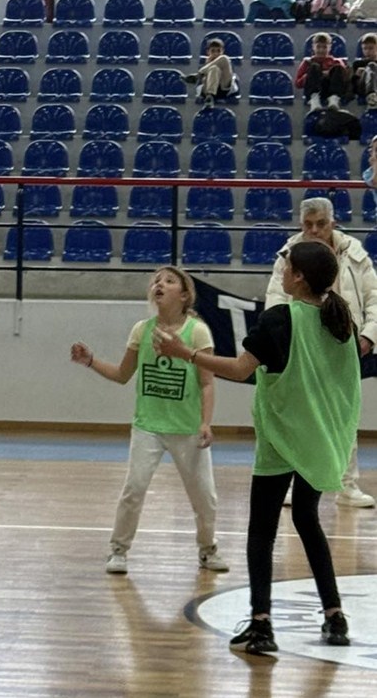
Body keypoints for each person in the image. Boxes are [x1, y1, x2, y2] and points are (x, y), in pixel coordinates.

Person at [156, 241, 358, 655]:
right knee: (307, 520)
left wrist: (185, 353)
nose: (281, 269)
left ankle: (262, 624)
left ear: (298, 276)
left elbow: (239, 369)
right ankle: (335, 615)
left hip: (282, 436)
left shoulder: (280, 318)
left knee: (262, 531)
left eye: (286, 264)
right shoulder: (341, 322)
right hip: (322, 438)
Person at [70, 266, 229, 575]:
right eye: (156, 280)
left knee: (205, 497)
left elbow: (207, 383)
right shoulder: (141, 330)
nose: (160, 284)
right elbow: (122, 375)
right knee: (134, 489)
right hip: (148, 426)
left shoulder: (197, 331)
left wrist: (205, 422)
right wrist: (90, 361)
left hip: (187, 429)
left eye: (169, 281)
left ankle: (208, 550)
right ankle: (119, 550)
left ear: (184, 295)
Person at [265, 196, 377, 507]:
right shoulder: (288, 254)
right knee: (298, 417)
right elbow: (275, 299)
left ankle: (347, 486)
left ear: (333, 223)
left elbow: (374, 298)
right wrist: (284, 338)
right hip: (301, 347)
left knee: (343, 414)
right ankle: (293, 483)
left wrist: (368, 336)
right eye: (308, 224)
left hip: (343, 345)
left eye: (321, 224)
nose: (314, 230)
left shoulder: (354, 253)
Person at [295, 31, 350, 112]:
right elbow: (298, 83)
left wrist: (329, 73)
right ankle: (314, 99)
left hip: (330, 88)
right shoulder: (307, 62)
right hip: (314, 90)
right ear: (313, 47)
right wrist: (310, 75)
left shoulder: (336, 61)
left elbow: (345, 80)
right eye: (318, 47)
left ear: (329, 47)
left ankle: (334, 98)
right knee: (314, 67)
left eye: (324, 47)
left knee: (338, 68)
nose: (321, 50)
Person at [181, 37, 236, 106]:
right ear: (208, 52)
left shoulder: (225, 62)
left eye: (218, 51)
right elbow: (203, 82)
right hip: (207, 90)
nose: (216, 53)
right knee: (214, 68)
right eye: (213, 51)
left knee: (224, 58)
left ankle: (197, 76)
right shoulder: (205, 64)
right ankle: (210, 97)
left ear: (223, 51)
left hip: (224, 88)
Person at [350, 32, 377, 109]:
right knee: (372, 65)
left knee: (372, 65)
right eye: (365, 49)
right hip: (363, 88)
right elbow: (354, 87)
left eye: (371, 48)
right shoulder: (358, 63)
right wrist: (356, 76)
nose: (367, 51)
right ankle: (371, 95)